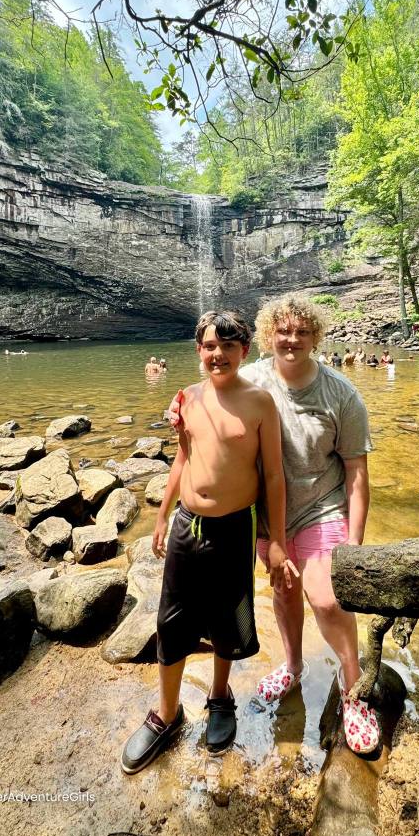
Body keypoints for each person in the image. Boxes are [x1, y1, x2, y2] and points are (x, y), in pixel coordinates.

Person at [169, 295, 380, 756]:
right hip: (269, 518)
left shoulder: (341, 393)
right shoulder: (255, 377)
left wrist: (356, 545)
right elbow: (214, 383)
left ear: (316, 337)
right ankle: (292, 666)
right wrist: (178, 402)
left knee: (325, 598)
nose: (292, 340)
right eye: (283, 332)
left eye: (302, 332)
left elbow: (358, 473)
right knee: (285, 592)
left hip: (322, 507)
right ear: (267, 337)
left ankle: (353, 688)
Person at [121, 310, 293, 774]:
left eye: (227, 346)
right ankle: (167, 713)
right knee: (172, 620)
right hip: (186, 525)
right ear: (199, 352)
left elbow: (274, 476)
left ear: (244, 350)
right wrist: (161, 515)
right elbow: (183, 458)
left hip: (234, 530)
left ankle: (220, 696)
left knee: (228, 617)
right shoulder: (188, 398)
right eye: (208, 347)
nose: (217, 354)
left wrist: (275, 541)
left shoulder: (260, 403)